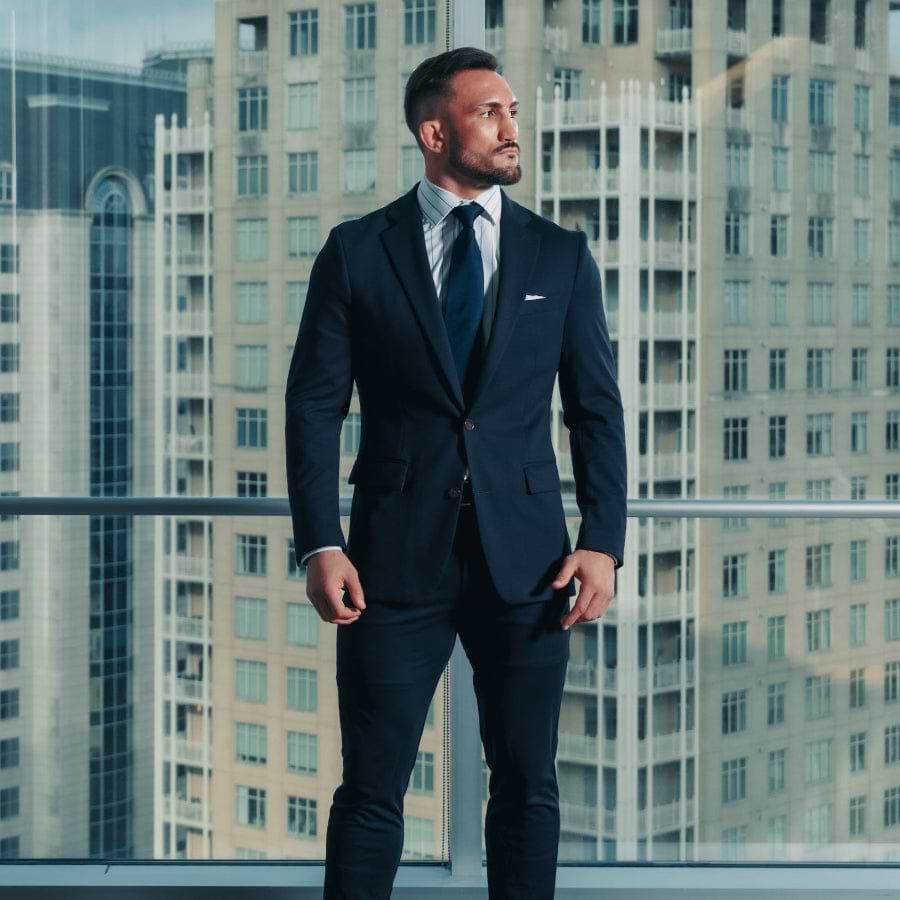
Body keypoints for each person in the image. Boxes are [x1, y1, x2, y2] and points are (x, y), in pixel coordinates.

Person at [285, 46, 626, 900]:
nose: (514, 128)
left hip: (531, 563)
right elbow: (313, 407)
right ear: (435, 132)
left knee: (527, 785)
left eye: (513, 110)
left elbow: (596, 410)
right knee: (371, 790)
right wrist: (319, 542)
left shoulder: (559, 254)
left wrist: (605, 544)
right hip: (392, 564)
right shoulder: (359, 251)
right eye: (491, 113)